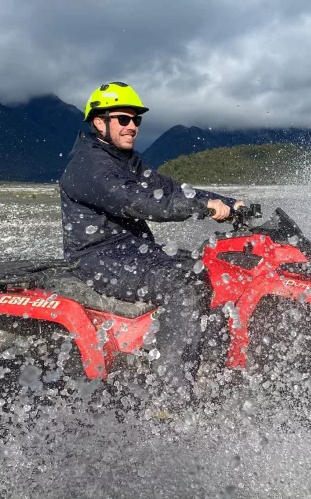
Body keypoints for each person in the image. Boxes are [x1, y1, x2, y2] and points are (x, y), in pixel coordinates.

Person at [58, 81, 242, 405]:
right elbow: (140, 201)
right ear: (99, 122)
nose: (132, 127)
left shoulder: (126, 161)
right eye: (123, 119)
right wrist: (202, 208)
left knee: (211, 269)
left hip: (133, 250)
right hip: (98, 256)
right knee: (182, 287)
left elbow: (169, 190)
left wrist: (228, 202)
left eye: (136, 120)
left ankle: (209, 364)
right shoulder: (88, 166)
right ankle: (168, 398)